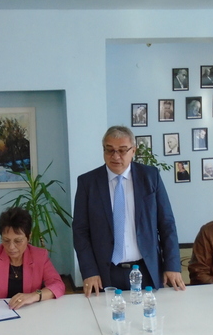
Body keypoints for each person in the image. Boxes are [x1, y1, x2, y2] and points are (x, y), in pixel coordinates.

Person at [73, 126, 185, 296]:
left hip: (146, 269)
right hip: (105, 272)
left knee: (150, 312)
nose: (115, 156)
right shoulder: (88, 183)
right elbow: (80, 231)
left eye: (122, 150)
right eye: (109, 150)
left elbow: (167, 224)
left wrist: (172, 265)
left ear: (133, 151)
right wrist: (89, 271)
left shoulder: (150, 177)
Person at [0, 207, 65, 317]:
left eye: (18, 241)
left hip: (31, 314)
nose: (11, 247)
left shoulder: (39, 256)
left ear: (29, 237)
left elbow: (58, 285)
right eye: (6, 240)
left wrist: (34, 296)